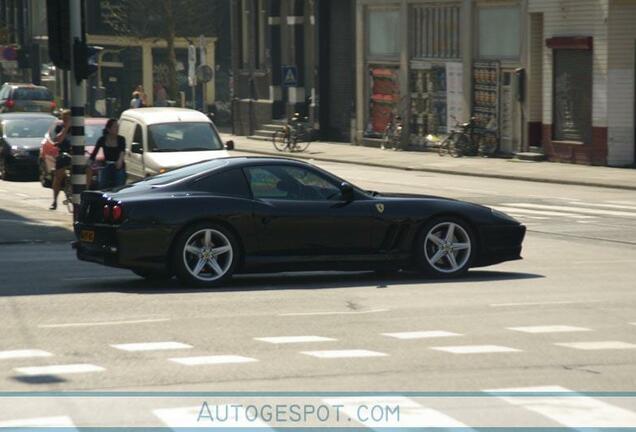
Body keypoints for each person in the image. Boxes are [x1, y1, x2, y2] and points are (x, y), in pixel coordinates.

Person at [89, 118, 126, 189]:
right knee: (102, 184)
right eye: (115, 127)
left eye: (118, 127)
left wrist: (120, 161)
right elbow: (94, 154)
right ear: (109, 129)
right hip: (106, 165)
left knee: (119, 185)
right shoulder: (102, 139)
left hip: (118, 166)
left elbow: (122, 151)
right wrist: (88, 163)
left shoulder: (121, 139)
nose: (117, 129)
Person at [49, 110, 72, 210]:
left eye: (68, 118)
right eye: (64, 118)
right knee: (58, 176)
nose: (66, 120)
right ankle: (54, 200)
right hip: (63, 153)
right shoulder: (59, 127)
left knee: (86, 170)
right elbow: (58, 139)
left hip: (74, 154)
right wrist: (66, 127)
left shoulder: (77, 128)